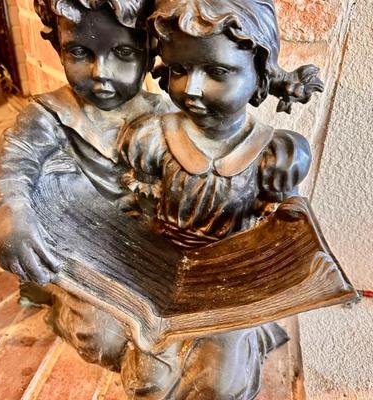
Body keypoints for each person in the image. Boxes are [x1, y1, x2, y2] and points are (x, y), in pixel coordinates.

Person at [117, 0, 323, 398]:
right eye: (179, 70)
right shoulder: (152, 139)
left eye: (216, 72)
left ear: (260, 76)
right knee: (146, 382)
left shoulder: (274, 154)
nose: (192, 89)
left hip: (232, 285)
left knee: (217, 386)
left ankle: (244, 343)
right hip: (165, 276)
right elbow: (137, 210)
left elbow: (285, 236)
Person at [0, 0, 171, 372]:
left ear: (151, 51)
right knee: (102, 339)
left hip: (145, 251)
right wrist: (10, 211)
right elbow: (13, 162)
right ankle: (60, 306)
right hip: (83, 253)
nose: (101, 73)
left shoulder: (165, 116)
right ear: (58, 47)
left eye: (123, 53)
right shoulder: (49, 114)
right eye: (80, 52)